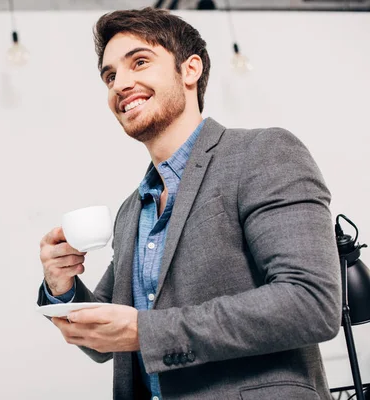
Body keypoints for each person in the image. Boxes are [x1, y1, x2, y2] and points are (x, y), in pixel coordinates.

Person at [37, 7, 341, 400]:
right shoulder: (133, 210)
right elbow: (103, 341)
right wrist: (61, 287)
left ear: (190, 70)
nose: (119, 84)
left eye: (139, 62)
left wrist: (147, 332)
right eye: (110, 76)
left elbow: (311, 302)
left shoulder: (262, 153)